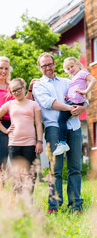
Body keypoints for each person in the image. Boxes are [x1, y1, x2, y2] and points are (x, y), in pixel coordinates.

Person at [32, 52, 88, 214]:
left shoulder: (67, 81)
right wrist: (71, 108)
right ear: (39, 67)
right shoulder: (38, 85)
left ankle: (76, 205)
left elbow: (83, 97)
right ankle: (54, 206)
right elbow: (49, 103)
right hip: (54, 128)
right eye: (44, 66)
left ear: (54, 64)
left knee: (75, 168)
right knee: (55, 169)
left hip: (74, 127)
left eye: (50, 64)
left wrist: (82, 107)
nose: (48, 68)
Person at [0, 78, 43, 191]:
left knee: (30, 174)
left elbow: (38, 124)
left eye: (18, 89)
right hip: (14, 144)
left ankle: (28, 201)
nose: (16, 93)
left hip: (30, 144)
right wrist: (5, 130)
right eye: (13, 91)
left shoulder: (34, 104)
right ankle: (17, 202)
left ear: (24, 88)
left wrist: (39, 141)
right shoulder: (9, 104)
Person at [53, 57, 96, 156]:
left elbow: (93, 80)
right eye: (67, 69)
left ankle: (63, 143)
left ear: (77, 64)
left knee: (61, 120)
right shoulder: (74, 77)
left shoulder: (82, 72)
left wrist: (86, 91)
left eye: (72, 66)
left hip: (76, 103)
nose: (70, 69)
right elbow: (76, 87)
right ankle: (63, 143)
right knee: (62, 119)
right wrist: (68, 96)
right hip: (72, 101)